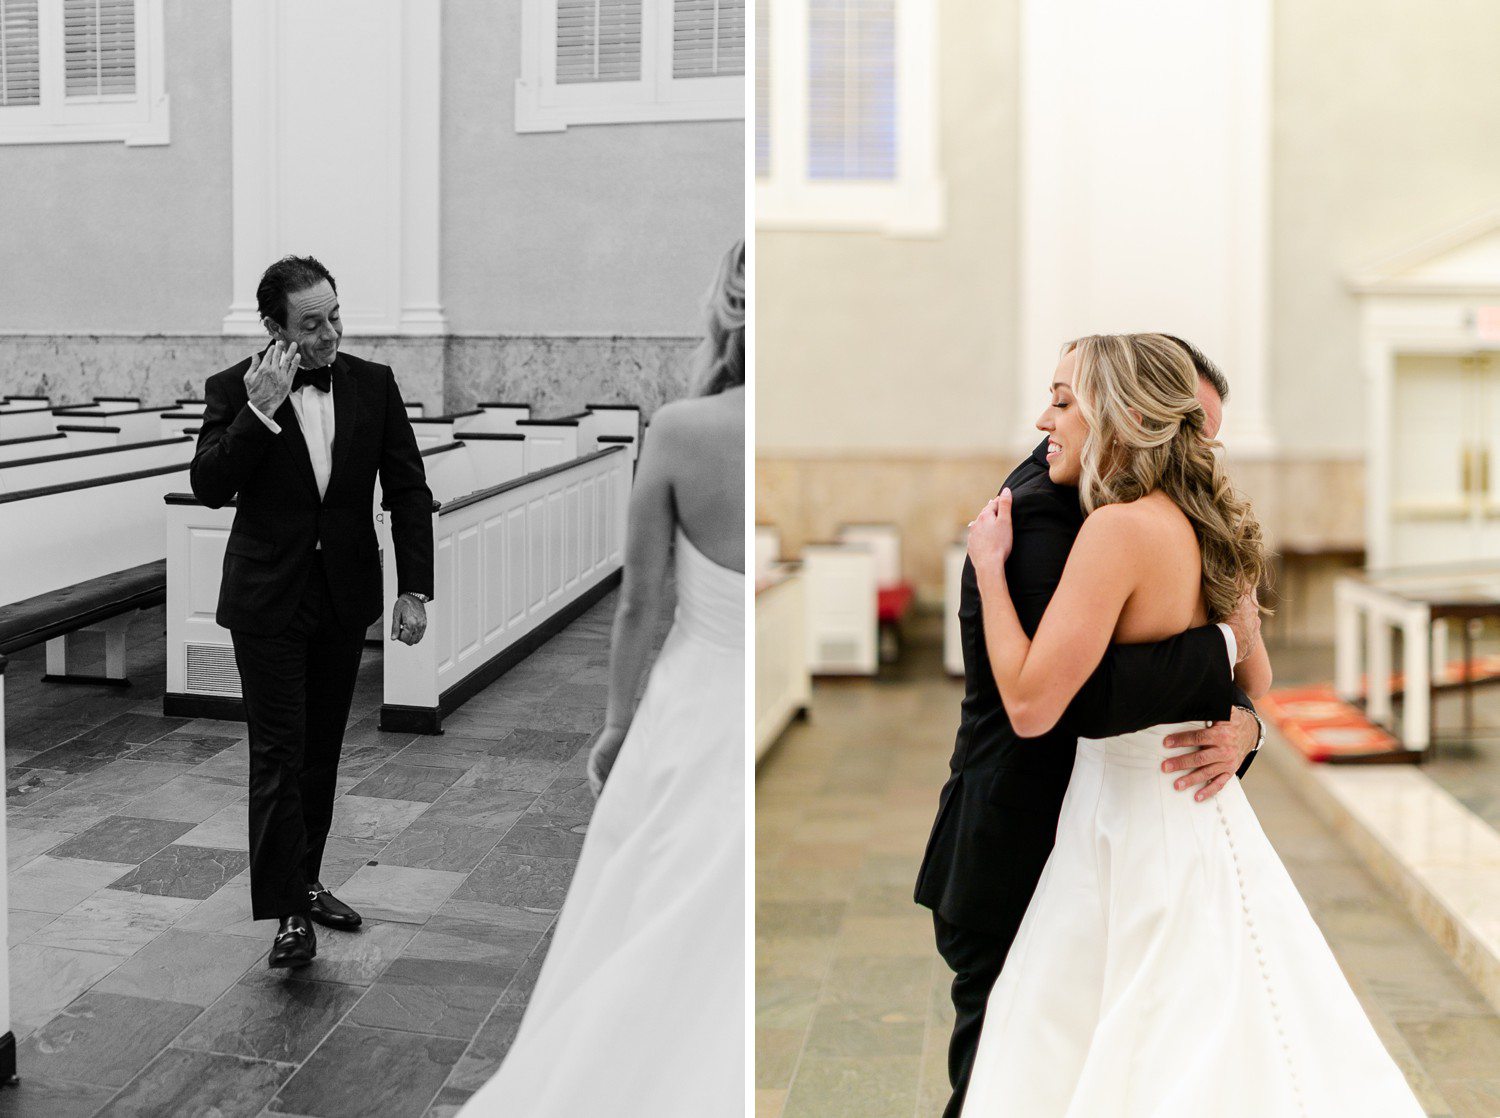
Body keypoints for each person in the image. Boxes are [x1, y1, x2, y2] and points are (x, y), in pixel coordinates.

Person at [958, 334, 1423, 1115]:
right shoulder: (1208, 523)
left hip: (1129, 816)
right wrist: (1241, 713)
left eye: (1067, 401)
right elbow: (1259, 676)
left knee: (1124, 1037)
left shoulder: (1116, 529)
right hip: (1199, 810)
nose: (1047, 416)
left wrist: (986, 569)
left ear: (1123, 414)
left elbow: (1034, 704)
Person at [915, 335, 1264, 1118]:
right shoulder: (1043, 513)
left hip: (1124, 835)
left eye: (1063, 400)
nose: (1201, 449)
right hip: (1025, 841)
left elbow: (1057, 697)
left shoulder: (1123, 521)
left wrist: (1244, 722)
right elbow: (1080, 699)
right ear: (1142, 414)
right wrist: (1225, 649)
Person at [457, 241, 746, 1117]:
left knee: (649, 915)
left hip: (695, 707)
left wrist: (619, 723)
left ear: (728, 306)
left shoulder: (684, 432)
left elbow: (640, 605)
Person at [190, 255, 434, 969]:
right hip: (267, 599)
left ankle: (307, 878)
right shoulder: (234, 389)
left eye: (335, 317)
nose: (328, 334)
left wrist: (412, 587)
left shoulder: (372, 383)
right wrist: (259, 411)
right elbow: (208, 485)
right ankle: (288, 913)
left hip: (341, 595)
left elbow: (409, 489)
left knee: (321, 752)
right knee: (277, 755)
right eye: (310, 323)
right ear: (274, 327)